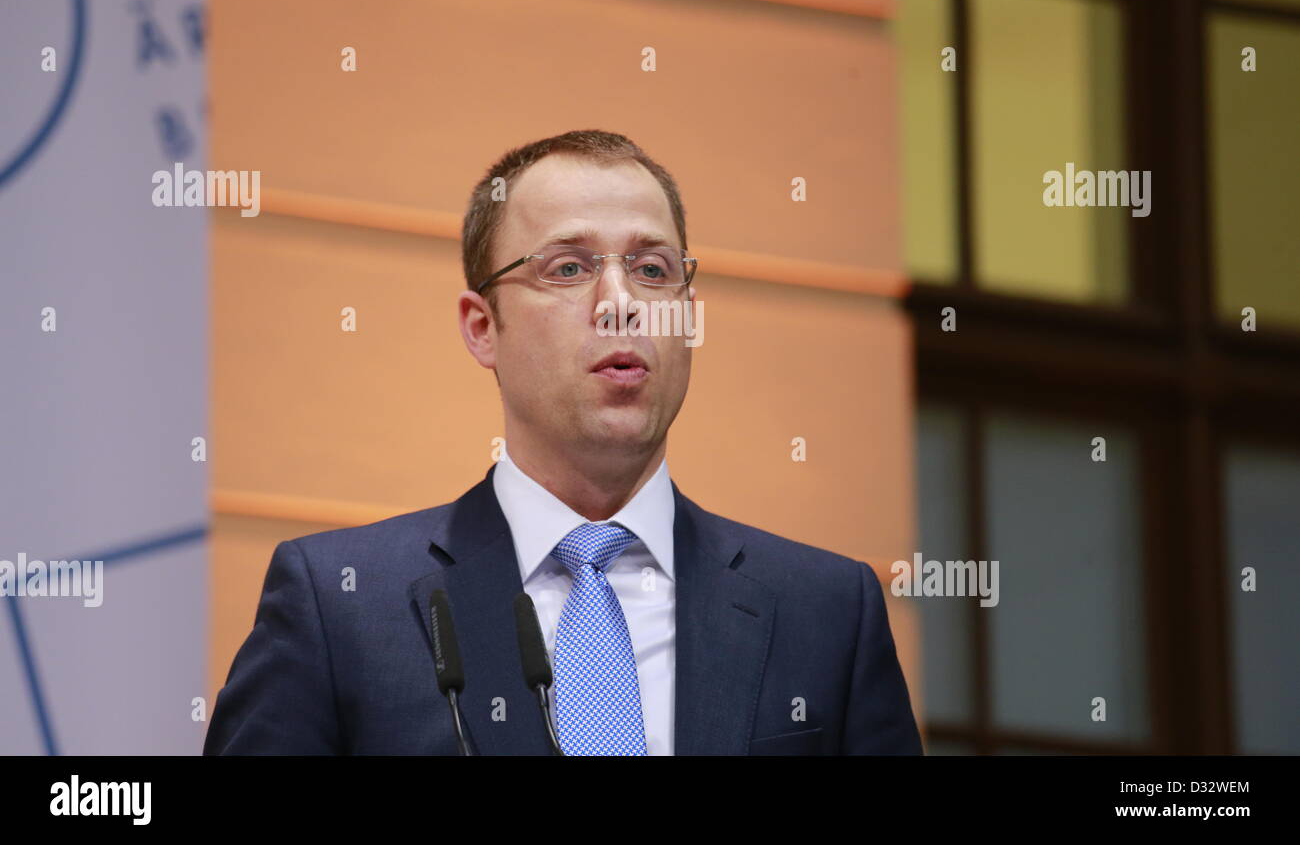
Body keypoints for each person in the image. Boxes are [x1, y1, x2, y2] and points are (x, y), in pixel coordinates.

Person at [203, 129, 922, 755]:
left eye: (652, 270)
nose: (619, 304)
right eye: (568, 268)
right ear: (483, 327)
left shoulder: (826, 611)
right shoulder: (341, 606)